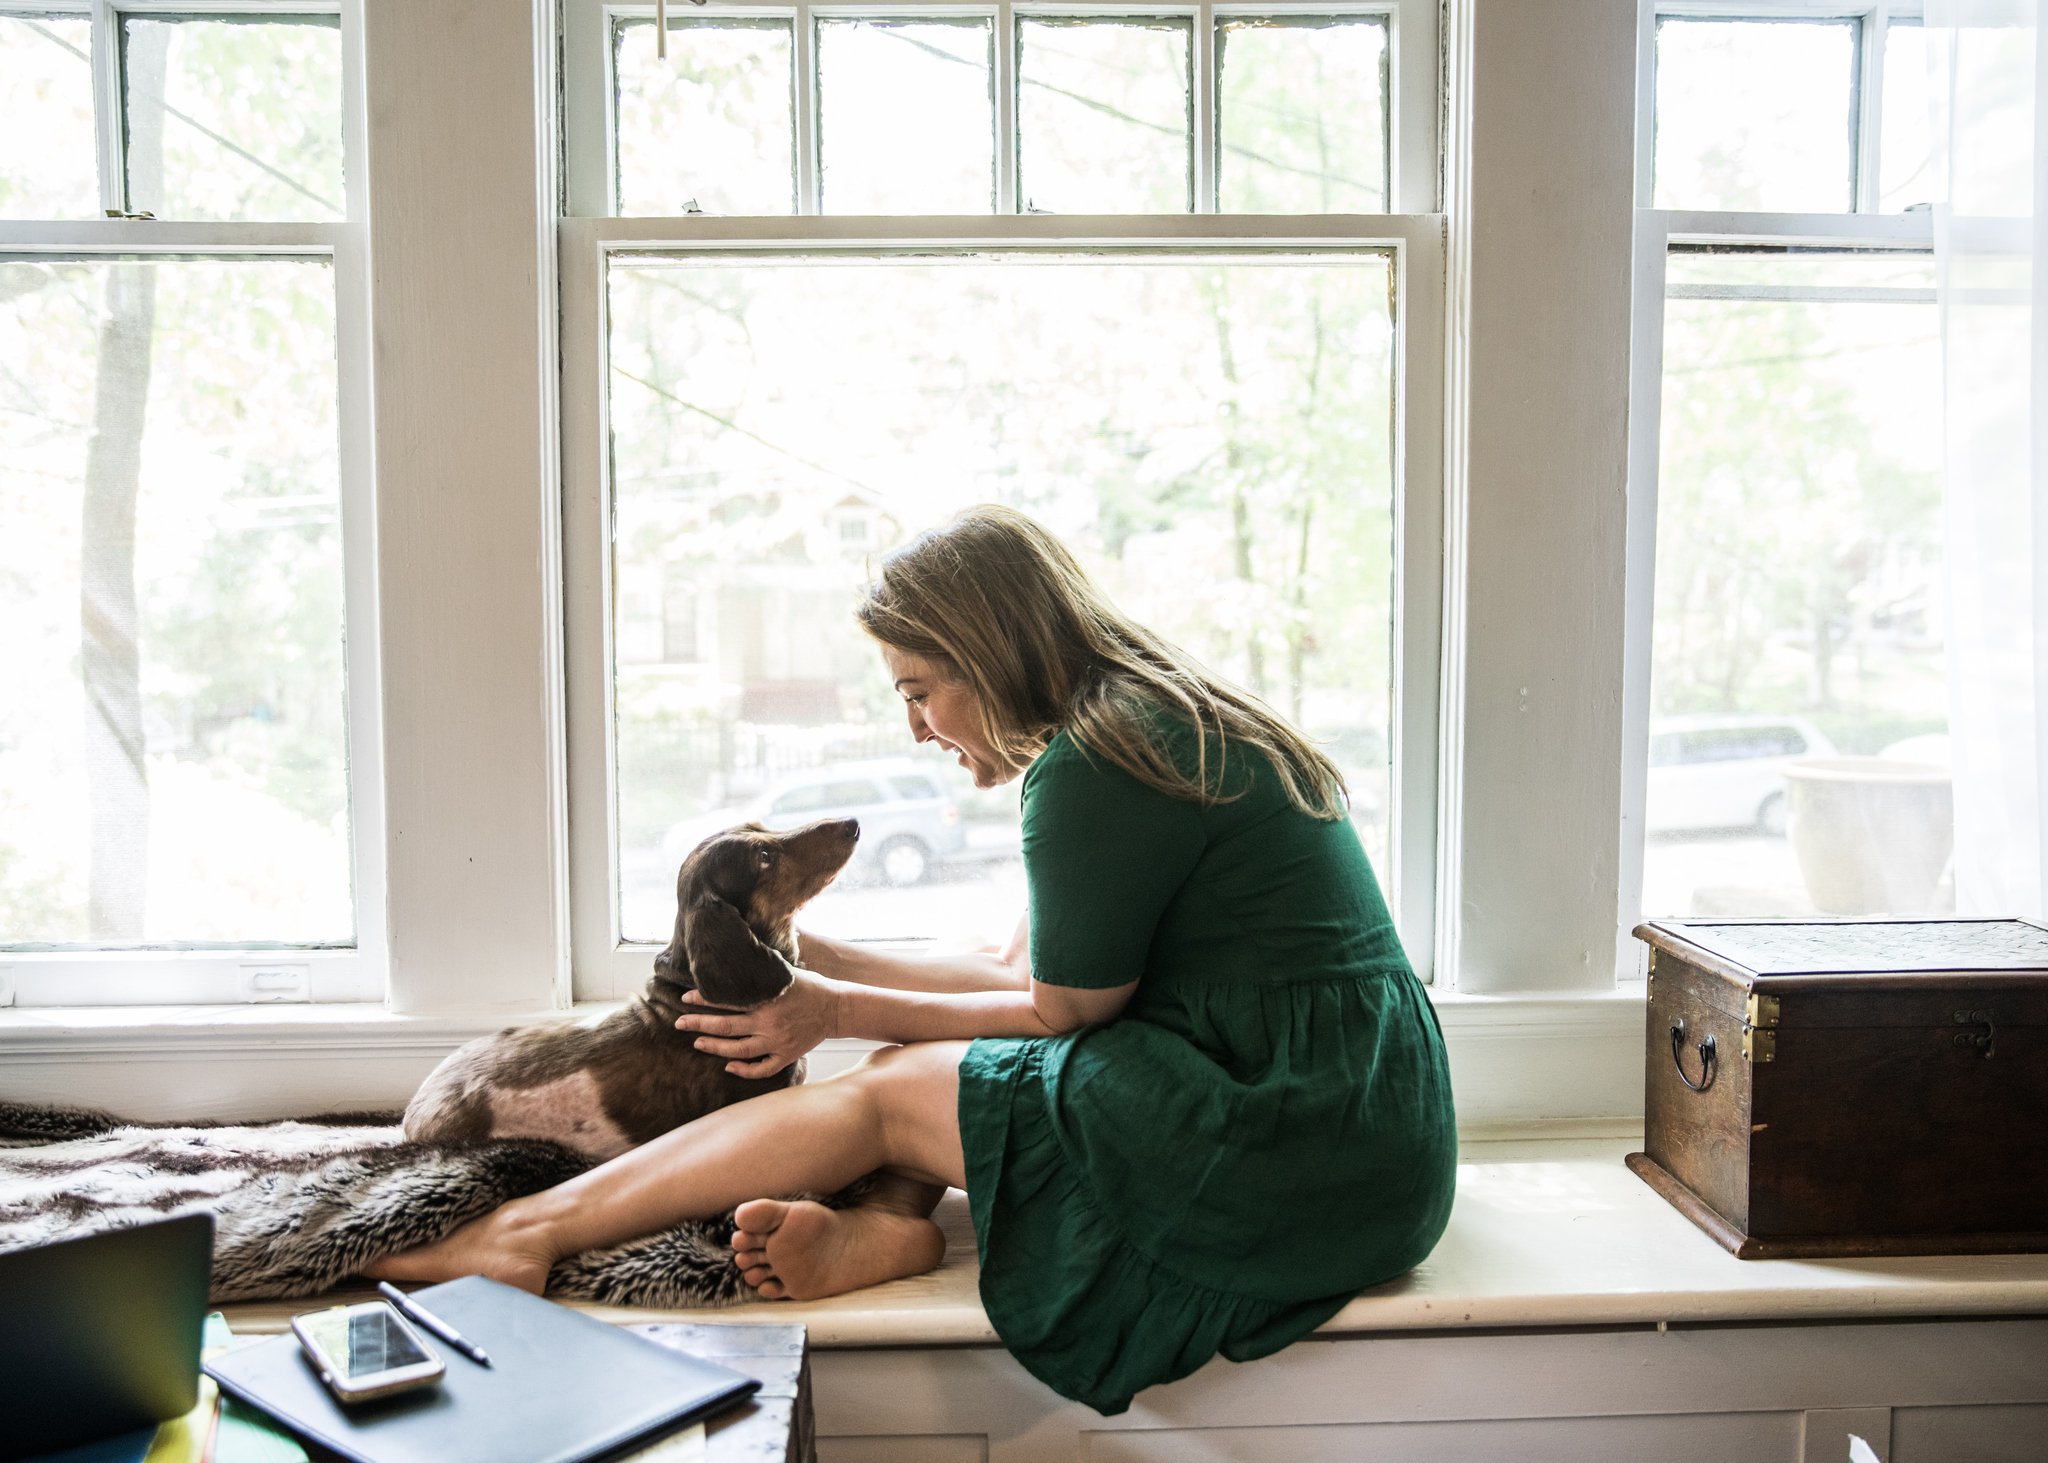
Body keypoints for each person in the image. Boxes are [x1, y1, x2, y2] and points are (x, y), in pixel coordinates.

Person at [370, 504, 1457, 1416]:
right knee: (909, 1050)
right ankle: (888, 1228)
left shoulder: (1092, 766)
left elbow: (1057, 1017)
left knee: (891, 1087)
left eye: (918, 686)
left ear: (989, 655)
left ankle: (521, 1231)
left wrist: (834, 1009)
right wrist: (823, 965)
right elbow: (1023, 982)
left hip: (1292, 1137)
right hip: (1355, 1119)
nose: (916, 723)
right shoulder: (1148, 716)